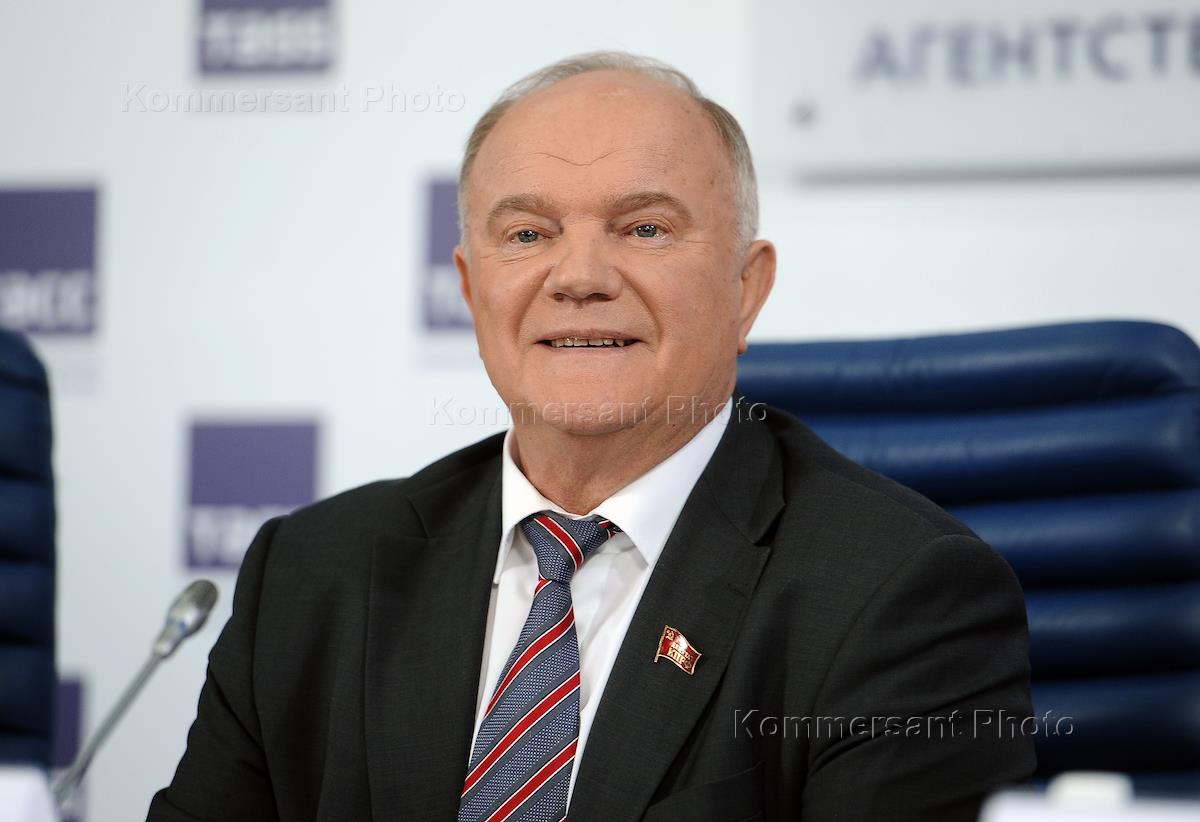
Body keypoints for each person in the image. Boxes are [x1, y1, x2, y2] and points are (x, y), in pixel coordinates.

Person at [148, 51, 1035, 822]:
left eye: (644, 228)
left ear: (746, 289)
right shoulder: (311, 574)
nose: (578, 277)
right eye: (527, 233)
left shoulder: (898, 595)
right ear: (471, 288)